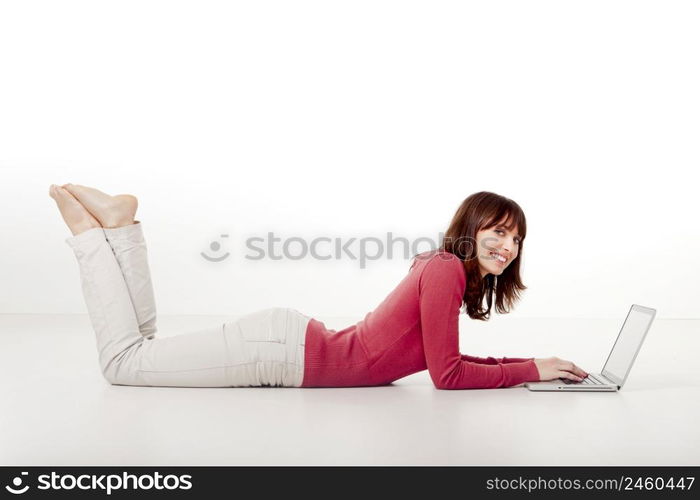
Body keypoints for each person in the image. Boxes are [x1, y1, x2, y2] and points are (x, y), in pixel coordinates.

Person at [49, 184, 588, 389]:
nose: (508, 246)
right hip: (280, 355)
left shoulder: (446, 268)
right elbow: (446, 376)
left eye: (517, 239)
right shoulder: (447, 267)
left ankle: (120, 229)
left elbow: (448, 359)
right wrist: (530, 371)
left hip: (286, 345)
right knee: (124, 362)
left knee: (143, 347)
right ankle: (92, 238)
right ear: (472, 230)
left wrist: (532, 366)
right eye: (498, 232)